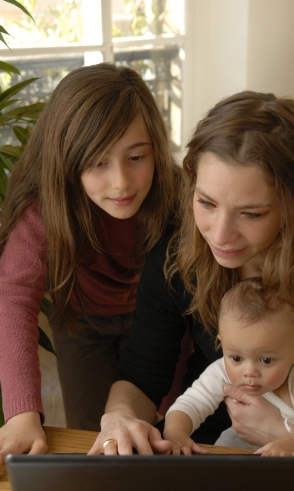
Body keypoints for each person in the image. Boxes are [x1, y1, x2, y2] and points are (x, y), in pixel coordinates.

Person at [88, 91, 294, 460]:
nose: (218, 235)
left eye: (251, 214)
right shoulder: (176, 258)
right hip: (200, 447)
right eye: (206, 203)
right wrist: (120, 419)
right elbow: (141, 378)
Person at [0, 63, 179, 463]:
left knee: (170, 430)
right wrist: (20, 415)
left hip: (161, 323)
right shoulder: (43, 212)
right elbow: (14, 301)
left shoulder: (178, 197)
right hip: (82, 324)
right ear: (66, 158)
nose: (121, 182)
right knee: (92, 434)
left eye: (136, 157)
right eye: (98, 162)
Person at [164, 278, 294, 459]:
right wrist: (176, 432)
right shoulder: (221, 371)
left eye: (266, 360)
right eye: (236, 358)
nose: (249, 371)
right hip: (249, 445)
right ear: (222, 342)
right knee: (223, 448)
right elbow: (191, 403)